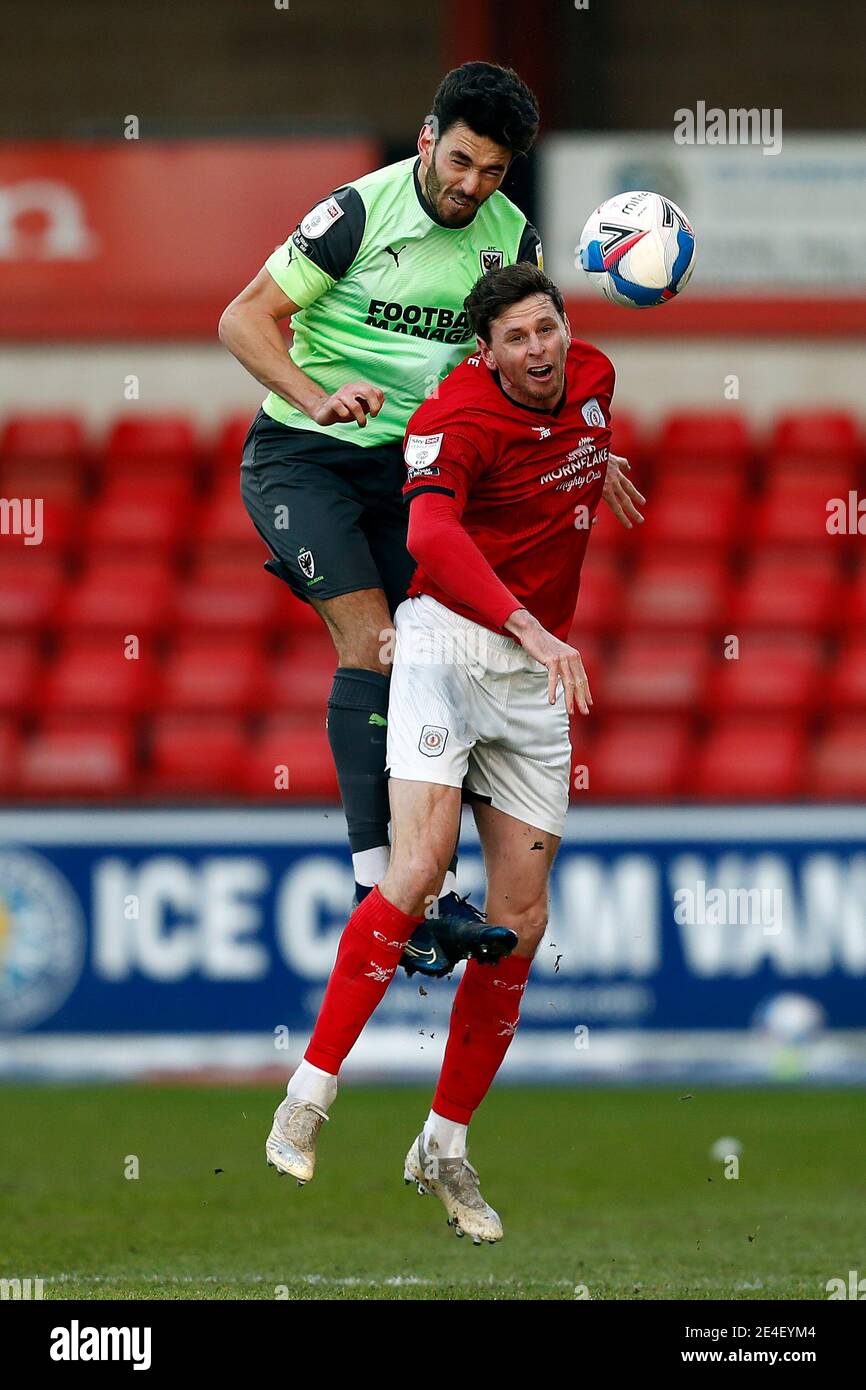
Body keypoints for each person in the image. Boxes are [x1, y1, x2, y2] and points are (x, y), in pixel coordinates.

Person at [219, 63, 642, 977]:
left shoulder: (509, 239)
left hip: (412, 468)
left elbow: (513, 368)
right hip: (305, 455)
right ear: (426, 138)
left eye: (491, 172)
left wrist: (584, 445)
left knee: (429, 653)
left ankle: (429, 885)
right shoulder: (357, 215)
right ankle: (387, 889)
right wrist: (318, 394)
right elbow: (243, 319)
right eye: (458, 162)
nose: (469, 186)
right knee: (372, 642)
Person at [265, 261, 638, 1244]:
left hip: (529, 683)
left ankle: (442, 1144)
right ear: (486, 351)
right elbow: (428, 532)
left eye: (546, 328)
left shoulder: (595, 377)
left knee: (518, 921)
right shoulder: (456, 412)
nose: (539, 350)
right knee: (417, 866)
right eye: (516, 338)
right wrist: (532, 626)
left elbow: (564, 443)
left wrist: (599, 465)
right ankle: (307, 1091)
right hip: (449, 647)